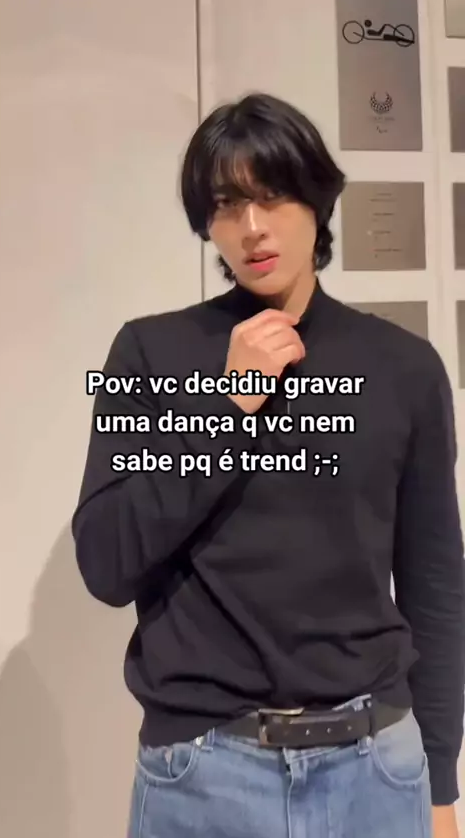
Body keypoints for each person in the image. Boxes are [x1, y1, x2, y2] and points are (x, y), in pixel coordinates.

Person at [71, 92, 465, 838]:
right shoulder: (150, 353)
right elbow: (105, 562)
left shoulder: (404, 368)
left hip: (375, 773)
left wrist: (441, 785)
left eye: (272, 195)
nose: (251, 227)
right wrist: (229, 407)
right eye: (226, 205)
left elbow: (435, 588)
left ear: (316, 199)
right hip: (203, 774)